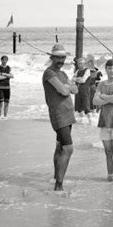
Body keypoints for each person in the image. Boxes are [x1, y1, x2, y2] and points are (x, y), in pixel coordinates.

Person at [42, 44, 78, 191]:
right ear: (51, 57)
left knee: (60, 147)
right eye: (58, 57)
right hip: (59, 115)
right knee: (68, 149)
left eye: (63, 57)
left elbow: (75, 90)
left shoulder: (62, 73)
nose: (61, 60)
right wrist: (67, 87)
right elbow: (63, 91)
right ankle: (59, 186)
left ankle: (57, 177)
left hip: (68, 113)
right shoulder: (49, 73)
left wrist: (67, 86)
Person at [72, 57, 93, 123]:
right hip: (78, 91)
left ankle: (91, 122)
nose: (80, 65)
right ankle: (82, 123)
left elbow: (83, 80)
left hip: (85, 91)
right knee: (79, 108)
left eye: (81, 63)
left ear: (84, 64)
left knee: (87, 108)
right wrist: (78, 79)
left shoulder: (87, 70)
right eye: (78, 64)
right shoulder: (78, 71)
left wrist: (76, 79)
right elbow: (72, 79)